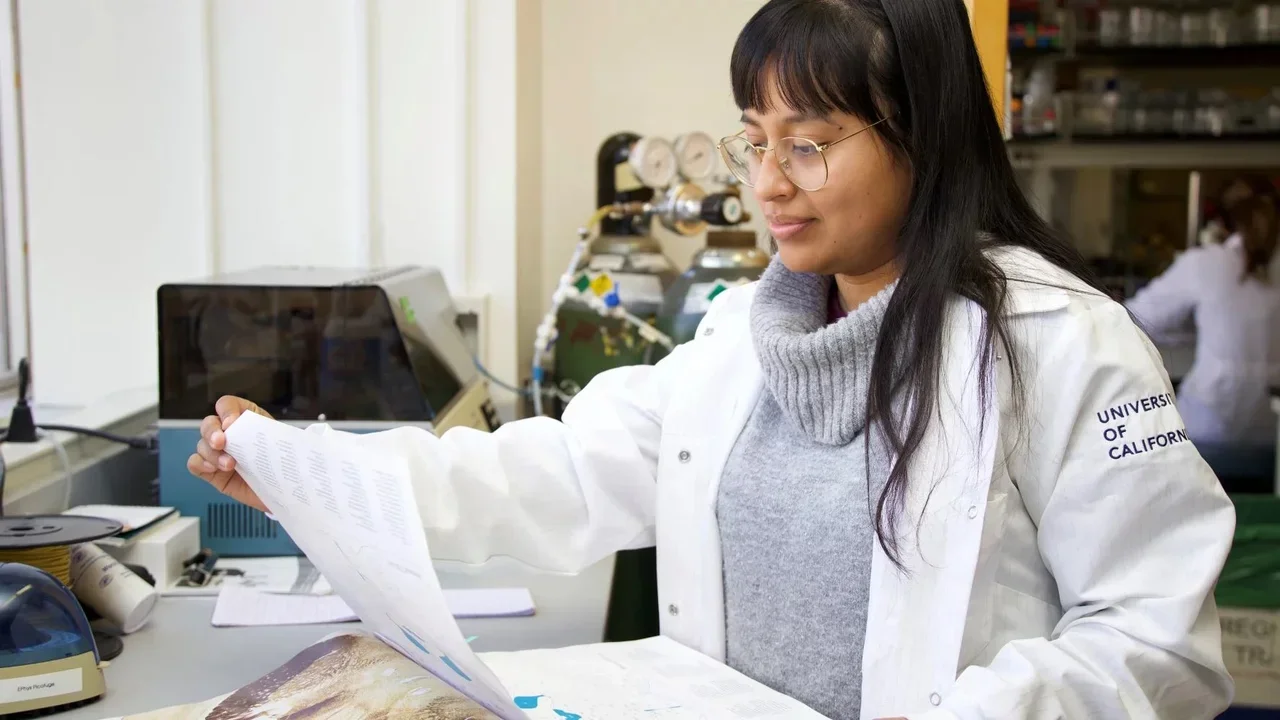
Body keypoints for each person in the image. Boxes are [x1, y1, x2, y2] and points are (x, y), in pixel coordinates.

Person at [189, 1, 1236, 718]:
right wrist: (309, 479)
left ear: (924, 138)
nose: (766, 182)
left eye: (809, 142)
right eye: (753, 138)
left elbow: (1155, 648)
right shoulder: (744, 335)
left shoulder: (1063, 345)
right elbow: (555, 470)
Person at [1127, 185, 1280, 486]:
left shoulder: (1205, 263)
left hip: (1209, 433)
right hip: (1273, 440)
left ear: (1221, 227)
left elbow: (1135, 319)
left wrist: (1187, 330)